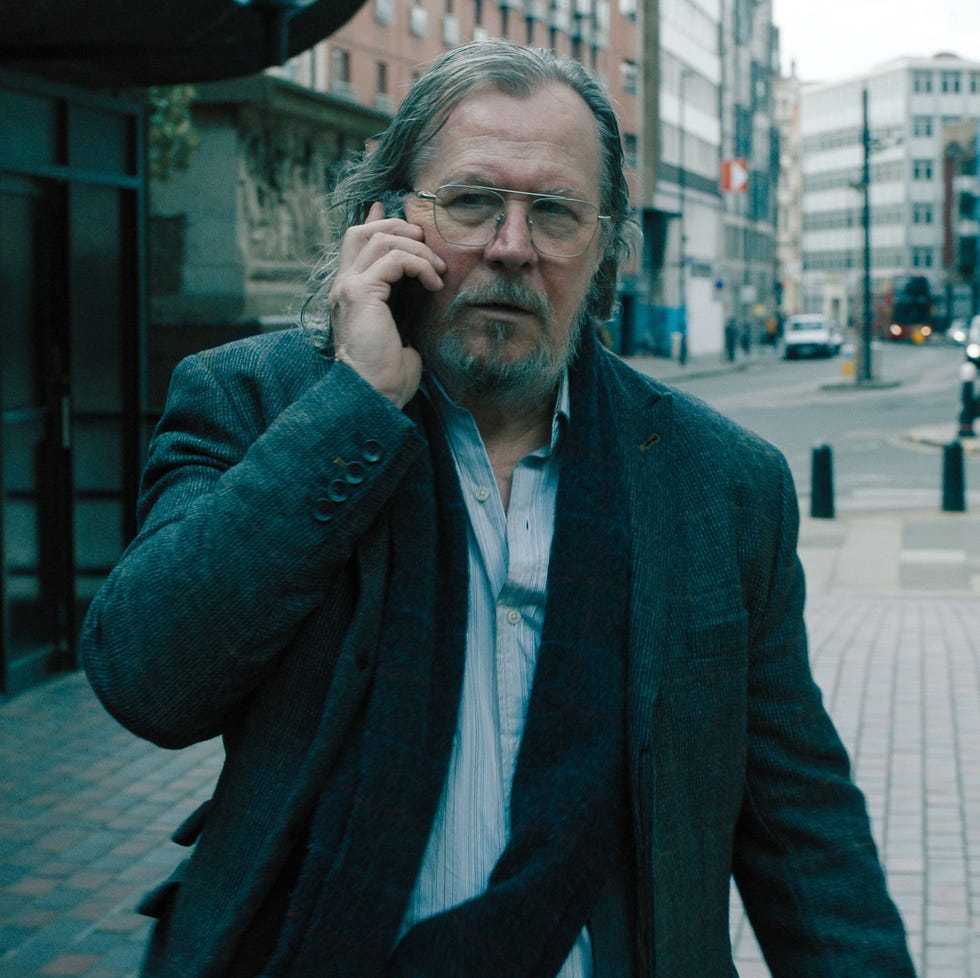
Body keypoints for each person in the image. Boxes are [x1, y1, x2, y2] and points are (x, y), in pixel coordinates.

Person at [80, 40, 917, 978]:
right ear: (387, 219)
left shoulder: (721, 482)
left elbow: (801, 826)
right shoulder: (255, 405)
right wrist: (351, 410)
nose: (511, 246)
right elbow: (148, 678)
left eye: (555, 213)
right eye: (473, 202)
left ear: (603, 250)